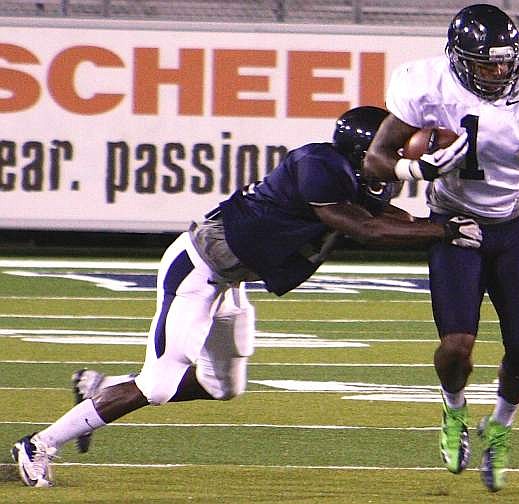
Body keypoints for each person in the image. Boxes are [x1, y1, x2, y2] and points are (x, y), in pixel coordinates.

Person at [11, 105, 483, 488]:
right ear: (364, 147)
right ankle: (38, 445)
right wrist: (442, 230)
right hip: (197, 269)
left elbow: (386, 214)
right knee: (158, 386)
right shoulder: (318, 164)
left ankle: (105, 387)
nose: (396, 153)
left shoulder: (354, 173)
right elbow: (363, 227)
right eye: (388, 145)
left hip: (230, 280)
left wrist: (443, 228)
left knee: (223, 387)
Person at [363, 4, 519, 493]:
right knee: (456, 348)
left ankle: (499, 427)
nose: (499, 70)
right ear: (458, 59)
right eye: (487, 62)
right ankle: (453, 411)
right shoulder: (426, 85)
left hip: (514, 225)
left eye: (506, 60)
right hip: (455, 222)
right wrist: (416, 171)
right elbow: (376, 158)